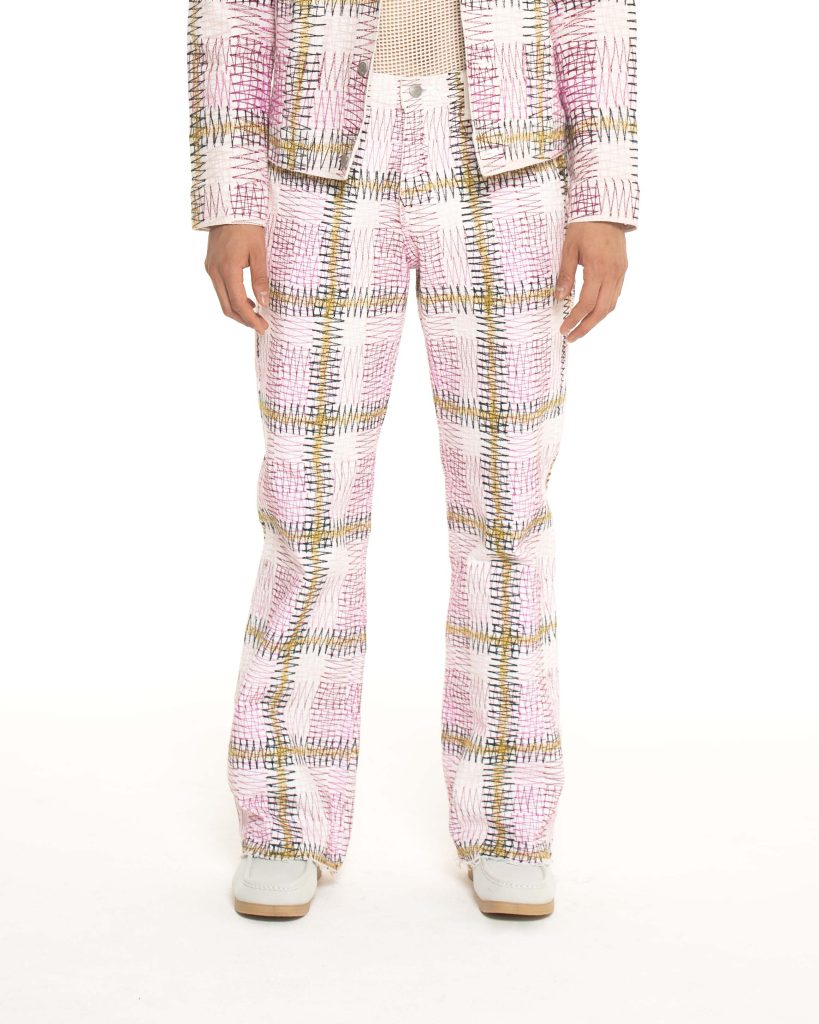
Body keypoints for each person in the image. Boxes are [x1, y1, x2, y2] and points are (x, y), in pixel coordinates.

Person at [187, 0, 639, 919]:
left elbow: (592, 16)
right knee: (307, 507)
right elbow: (231, 17)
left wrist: (602, 197)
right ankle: (285, 821)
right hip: (316, 167)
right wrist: (229, 197)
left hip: (510, 169)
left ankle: (511, 824)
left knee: (506, 512)